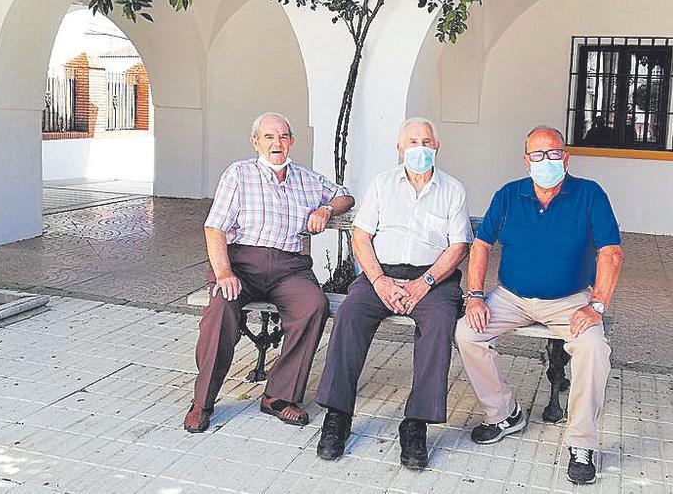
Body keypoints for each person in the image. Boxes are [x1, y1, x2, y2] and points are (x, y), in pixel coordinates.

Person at [455, 126, 624, 485]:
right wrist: (475, 295)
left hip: (570, 300)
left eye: (553, 153)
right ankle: (503, 413)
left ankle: (582, 442)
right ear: (525, 160)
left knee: (593, 347)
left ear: (566, 156)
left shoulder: (589, 194)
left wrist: (596, 306)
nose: (546, 161)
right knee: (468, 332)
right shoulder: (509, 195)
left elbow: (611, 252)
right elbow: (481, 245)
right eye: (537, 155)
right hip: (511, 296)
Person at [314, 117, 473, 469]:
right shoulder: (382, 184)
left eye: (426, 142)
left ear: (437, 148)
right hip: (380, 273)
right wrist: (379, 281)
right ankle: (338, 416)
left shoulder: (453, 189)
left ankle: (415, 424)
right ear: (400, 149)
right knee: (350, 315)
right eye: (412, 142)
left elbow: (459, 245)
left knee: (440, 322)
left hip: (433, 279)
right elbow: (361, 236)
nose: (420, 148)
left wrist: (424, 284)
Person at [183, 112, 354, 432]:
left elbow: (346, 196)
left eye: (283, 137)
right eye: (269, 137)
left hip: (289, 268)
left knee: (313, 305)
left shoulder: (307, 178)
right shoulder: (239, 174)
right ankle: (202, 401)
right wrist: (224, 274)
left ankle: (278, 397)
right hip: (241, 265)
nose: (277, 143)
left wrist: (326, 208)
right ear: (256, 141)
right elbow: (214, 228)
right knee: (221, 309)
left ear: (292, 142)